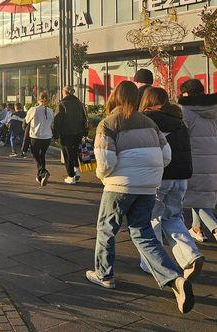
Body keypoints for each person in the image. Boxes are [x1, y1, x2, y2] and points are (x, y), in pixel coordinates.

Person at [87, 81, 194, 314]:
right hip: (148, 186)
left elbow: (105, 163)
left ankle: (104, 274)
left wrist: (103, 177)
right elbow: (167, 155)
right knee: (143, 233)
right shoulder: (150, 123)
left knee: (106, 229)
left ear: (115, 97)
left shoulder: (108, 124)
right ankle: (175, 279)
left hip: (119, 185)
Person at [138, 87, 204, 280]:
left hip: (159, 177)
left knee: (152, 220)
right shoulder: (178, 120)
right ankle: (191, 255)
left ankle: (152, 263)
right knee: (173, 218)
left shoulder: (147, 120)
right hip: (181, 177)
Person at [178, 79, 217, 242]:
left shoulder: (185, 110)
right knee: (200, 195)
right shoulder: (214, 108)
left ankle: (215, 228)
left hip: (194, 160)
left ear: (186, 93)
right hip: (213, 159)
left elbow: (181, 136)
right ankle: (196, 228)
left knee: (194, 197)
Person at [54, 85, 88, 185]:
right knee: (75, 152)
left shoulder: (62, 104)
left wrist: (56, 135)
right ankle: (76, 170)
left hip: (66, 133)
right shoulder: (79, 103)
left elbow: (57, 121)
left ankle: (71, 176)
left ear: (64, 92)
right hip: (78, 132)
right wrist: (85, 132)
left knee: (68, 154)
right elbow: (84, 118)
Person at [25, 91, 54, 186]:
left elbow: (26, 121)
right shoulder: (50, 111)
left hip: (36, 136)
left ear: (38, 100)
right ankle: (40, 176)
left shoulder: (34, 109)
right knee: (42, 155)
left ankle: (43, 172)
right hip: (47, 137)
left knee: (35, 155)